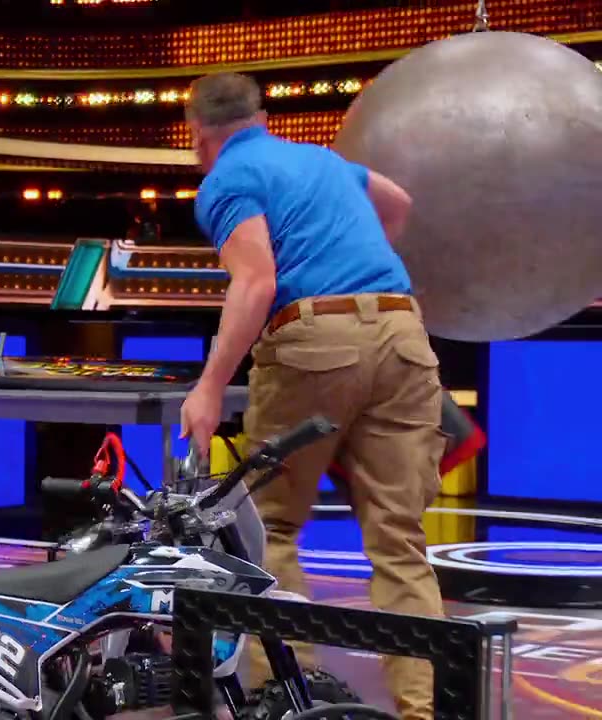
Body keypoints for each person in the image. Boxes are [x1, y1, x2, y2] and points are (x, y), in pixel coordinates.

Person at [177, 73, 443, 720]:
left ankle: (295, 702)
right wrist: (353, 267)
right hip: (403, 332)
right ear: (262, 117)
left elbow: (255, 282)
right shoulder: (323, 161)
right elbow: (399, 204)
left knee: (267, 528)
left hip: (314, 342)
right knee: (399, 539)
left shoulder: (227, 179)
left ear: (198, 135)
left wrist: (209, 387)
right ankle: (426, 708)